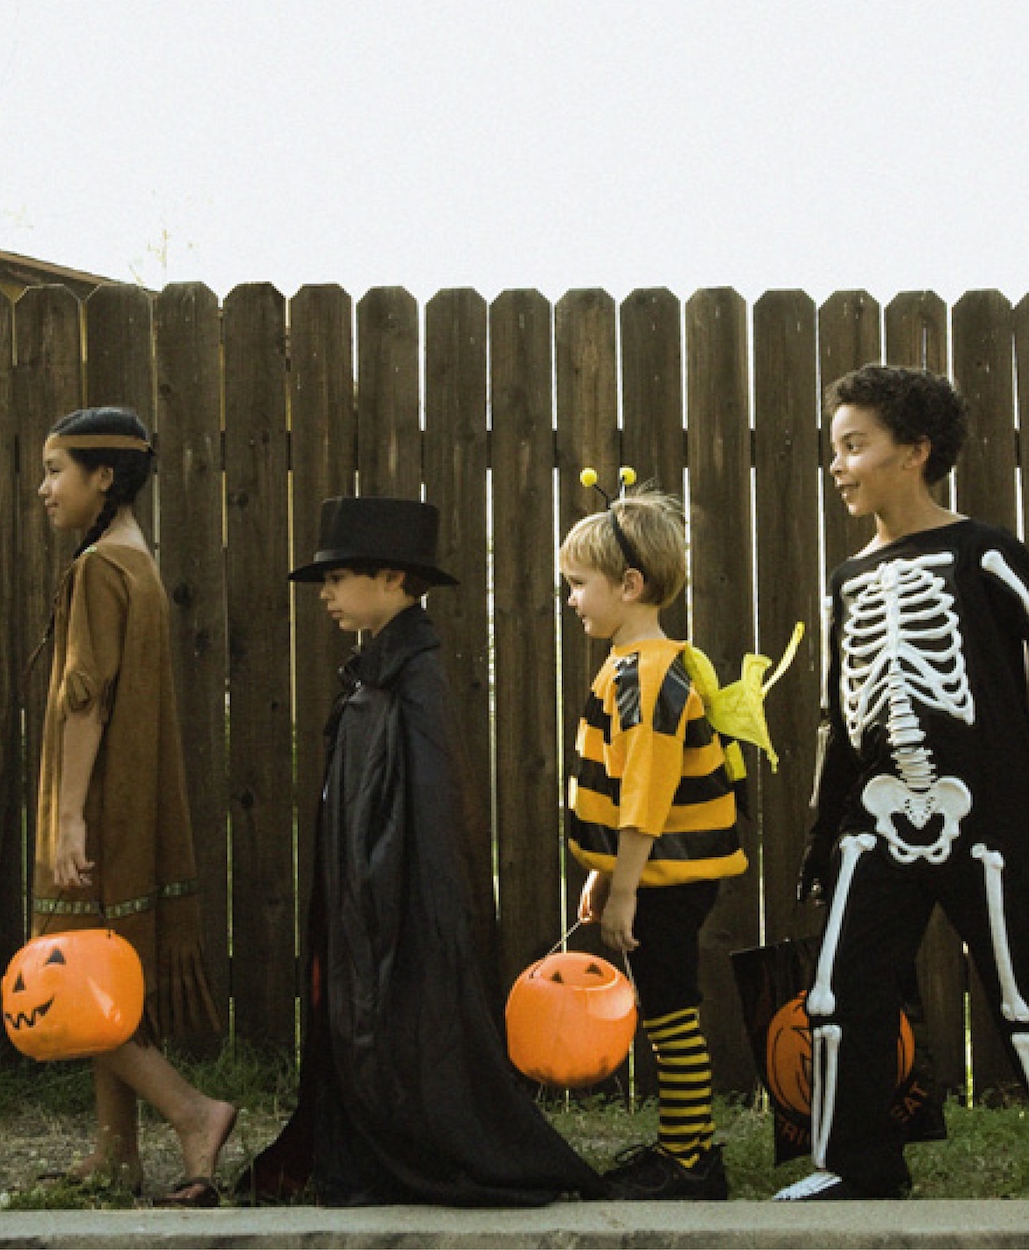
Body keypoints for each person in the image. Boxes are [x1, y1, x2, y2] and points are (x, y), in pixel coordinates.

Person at [779, 363, 1029, 1203]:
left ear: (915, 451)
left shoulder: (982, 552)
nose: (838, 465)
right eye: (834, 448)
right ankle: (856, 1164)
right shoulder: (847, 580)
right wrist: (821, 838)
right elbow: (835, 722)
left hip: (988, 815)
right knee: (839, 987)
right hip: (876, 818)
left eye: (856, 446)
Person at [245, 496, 604, 1206]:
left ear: (391, 578)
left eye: (337, 577)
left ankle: (415, 1146)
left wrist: (400, 906)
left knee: (406, 1031)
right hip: (368, 900)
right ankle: (374, 1145)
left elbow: (436, 816)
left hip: (402, 904)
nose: (325, 593)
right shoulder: (375, 671)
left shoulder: (415, 676)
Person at [32, 407, 238, 1207]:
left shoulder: (97, 572)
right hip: (137, 799)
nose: (44, 489)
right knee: (104, 967)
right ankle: (116, 1153)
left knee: (68, 973)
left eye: (57, 471)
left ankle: (193, 1113)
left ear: (103, 479)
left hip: (101, 800)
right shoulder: (136, 562)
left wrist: (70, 815)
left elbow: (87, 701)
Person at [561, 479, 746, 1200]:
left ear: (629, 584)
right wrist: (605, 874)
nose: (572, 599)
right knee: (665, 1006)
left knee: (670, 1013)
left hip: (667, 877)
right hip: (650, 873)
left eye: (579, 584)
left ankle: (690, 1165)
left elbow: (645, 795)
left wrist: (626, 886)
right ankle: (685, 1147)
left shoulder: (646, 675)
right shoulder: (633, 666)